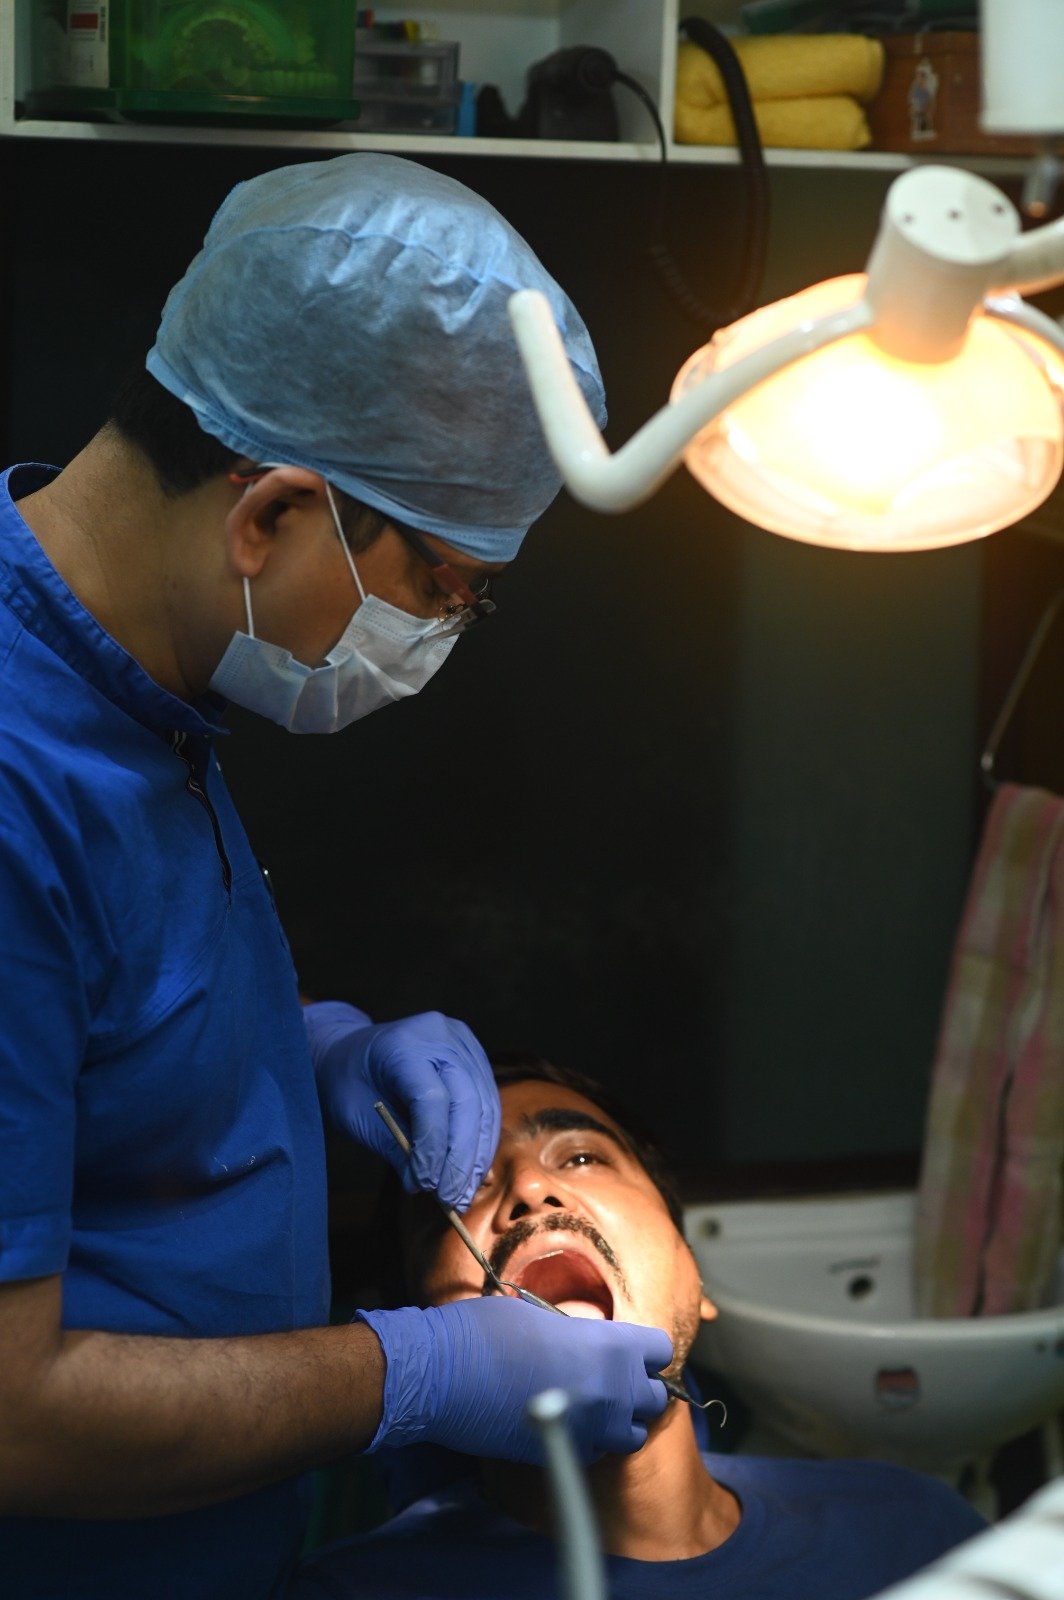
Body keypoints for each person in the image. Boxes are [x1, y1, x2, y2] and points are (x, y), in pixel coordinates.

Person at [0, 155, 675, 1600]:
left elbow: (84, 1024)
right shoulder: (17, 780)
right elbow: (10, 1420)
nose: (439, 638)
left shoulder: (134, 691)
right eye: (438, 588)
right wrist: (413, 1374)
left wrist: (310, 1053)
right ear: (269, 516)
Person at [292, 1056, 986, 1600]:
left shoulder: (914, 1526)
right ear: (421, 1317)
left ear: (697, 1277)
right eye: (462, 1190)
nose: (529, 1188)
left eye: (581, 1157)